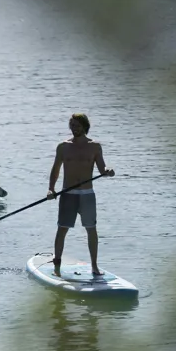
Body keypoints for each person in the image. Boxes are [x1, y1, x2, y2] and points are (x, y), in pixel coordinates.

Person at [47, 113, 114, 277]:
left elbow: (101, 169)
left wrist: (107, 172)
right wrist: (51, 189)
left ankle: (95, 266)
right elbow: (56, 169)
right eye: (71, 125)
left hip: (87, 195)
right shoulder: (63, 146)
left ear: (84, 126)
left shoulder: (95, 146)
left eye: (76, 125)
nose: (73, 128)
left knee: (91, 229)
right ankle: (57, 263)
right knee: (62, 229)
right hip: (68, 194)